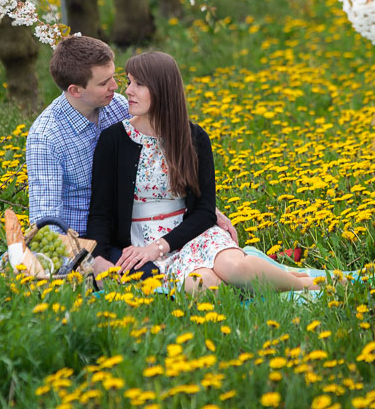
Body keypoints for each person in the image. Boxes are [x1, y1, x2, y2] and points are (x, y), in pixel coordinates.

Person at [87, 51, 318, 294]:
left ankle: (306, 284)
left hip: (191, 233)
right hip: (142, 244)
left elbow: (205, 211)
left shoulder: (194, 137)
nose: (128, 91)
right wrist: (99, 256)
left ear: (162, 89)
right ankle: (263, 281)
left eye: (139, 84)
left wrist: (161, 246)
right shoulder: (113, 140)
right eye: (129, 82)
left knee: (235, 266)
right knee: (201, 285)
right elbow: (100, 212)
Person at [26, 36, 237, 277]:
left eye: (116, 78)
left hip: (132, 230)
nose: (117, 88)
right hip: (88, 242)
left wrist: (206, 209)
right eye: (105, 82)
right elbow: (47, 226)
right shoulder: (46, 138)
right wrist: (93, 260)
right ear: (75, 90)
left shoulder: (115, 106)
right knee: (168, 282)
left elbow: (155, 155)